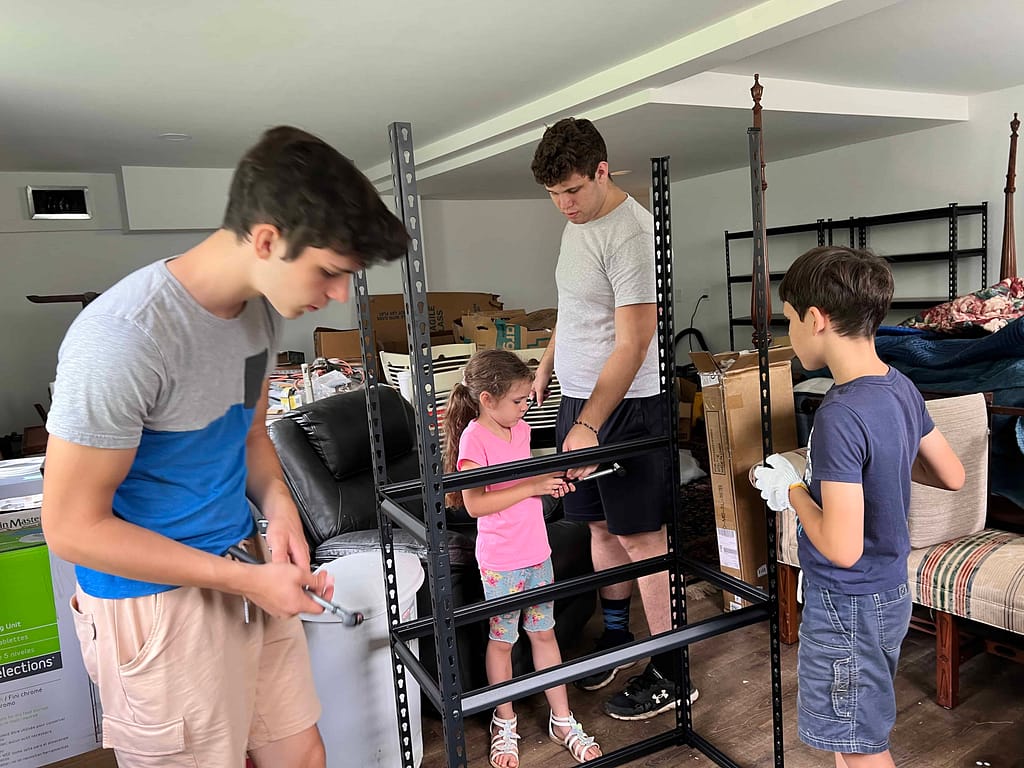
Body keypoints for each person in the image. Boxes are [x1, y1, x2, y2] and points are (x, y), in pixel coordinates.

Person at [40, 125, 409, 767]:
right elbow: (71, 528)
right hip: (155, 604)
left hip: (245, 567)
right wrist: (243, 578)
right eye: (329, 272)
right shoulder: (122, 339)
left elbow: (249, 434)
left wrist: (281, 511)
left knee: (301, 755)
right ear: (266, 240)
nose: (339, 296)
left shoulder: (260, 313)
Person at [752, 245, 965, 768]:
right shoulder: (900, 387)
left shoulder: (839, 414)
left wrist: (793, 491)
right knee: (852, 734)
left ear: (817, 319)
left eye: (789, 321)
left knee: (859, 747)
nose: (789, 335)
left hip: (846, 604)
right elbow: (952, 475)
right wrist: (881, 468)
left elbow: (842, 548)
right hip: (889, 592)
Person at [530, 116, 696, 720]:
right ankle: (619, 637)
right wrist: (547, 365)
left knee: (641, 536)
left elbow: (633, 342)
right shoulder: (576, 223)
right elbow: (573, 307)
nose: (564, 204)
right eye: (554, 194)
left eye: (572, 190)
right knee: (599, 528)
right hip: (579, 400)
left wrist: (590, 424)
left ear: (602, 171)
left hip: (627, 407)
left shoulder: (633, 234)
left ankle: (673, 668)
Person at [443, 349, 601, 767]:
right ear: (487, 399)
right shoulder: (475, 439)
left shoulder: (521, 428)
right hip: (502, 562)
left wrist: (548, 481)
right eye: (518, 400)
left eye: (526, 399)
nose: (525, 407)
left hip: (536, 552)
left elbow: (522, 477)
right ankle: (504, 720)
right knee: (502, 640)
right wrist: (532, 487)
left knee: (544, 634)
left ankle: (562, 720)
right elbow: (475, 503)